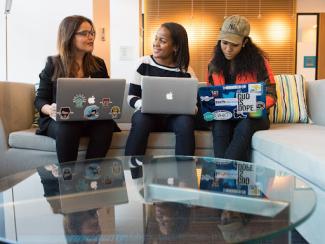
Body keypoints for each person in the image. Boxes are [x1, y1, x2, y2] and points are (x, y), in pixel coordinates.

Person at [34, 15, 119, 164]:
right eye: (85, 33)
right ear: (69, 36)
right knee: (68, 126)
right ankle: (67, 179)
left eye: (92, 33)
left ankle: (92, 175)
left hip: (91, 117)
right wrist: (50, 109)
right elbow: (40, 99)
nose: (91, 37)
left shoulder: (98, 64)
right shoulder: (53, 63)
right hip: (61, 121)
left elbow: (107, 95)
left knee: (106, 125)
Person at [206, 15, 277, 161]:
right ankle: (226, 174)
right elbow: (211, 94)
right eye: (224, 43)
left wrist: (247, 106)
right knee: (219, 125)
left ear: (244, 42)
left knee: (245, 125)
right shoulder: (213, 63)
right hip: (226, 114)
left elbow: (271, 95)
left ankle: (222, 172)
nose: (228, 49)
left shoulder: (259, 62)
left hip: (254, 114)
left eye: (234, 45)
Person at [125, 22, 195, 157]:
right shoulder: (143, 63)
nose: (156, 43)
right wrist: (144, 105)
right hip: (148, 116)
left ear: (175, 47)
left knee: (185, 122)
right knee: (140, 120)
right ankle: (132, 173)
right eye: (156, 38)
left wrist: (189, 108)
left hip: (174, 119)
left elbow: (194, 104)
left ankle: (185, 174)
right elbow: (131, 97)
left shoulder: (186, 71)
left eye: (162, 41)